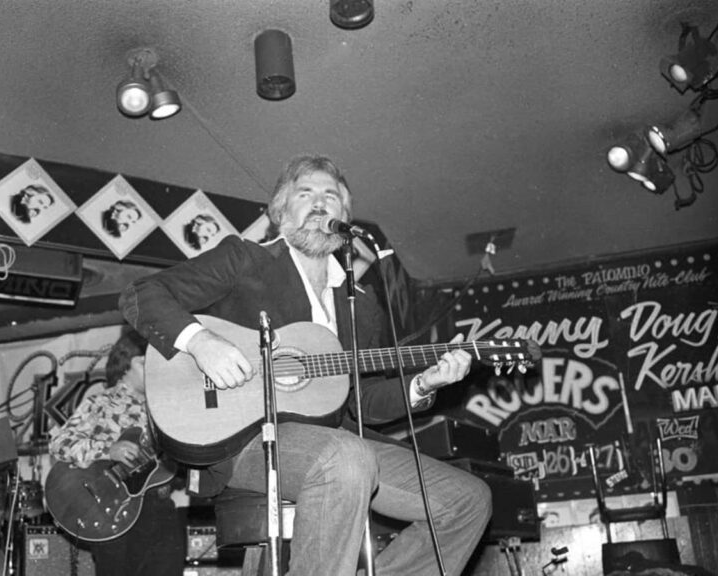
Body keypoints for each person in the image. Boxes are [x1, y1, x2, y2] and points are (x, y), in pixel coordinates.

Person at [119, 154, 490, 576]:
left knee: (469, 500)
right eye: (305, 193)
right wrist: (202, 343)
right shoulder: (245, 260)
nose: (319, 202)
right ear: (281, 212)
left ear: (344, 218)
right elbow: (141, 294)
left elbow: (361, 403)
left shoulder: (361, 306)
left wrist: (424, 384)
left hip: (340, 442)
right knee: (346, 458)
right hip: (243, 440)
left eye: (330, 196)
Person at [48, 329, 185, 576]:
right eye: (144, 362)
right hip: (111, 511)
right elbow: (59, 443)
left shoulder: (166, 408)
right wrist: (109, 450)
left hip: (158, 508)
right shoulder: (101, 403)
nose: (152, 369)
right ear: (124, 365)